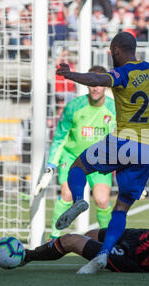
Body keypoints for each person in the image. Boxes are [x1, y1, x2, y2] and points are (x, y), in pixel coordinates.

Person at [53, 32, 149, 274]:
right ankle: (103, 254)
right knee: (121, 208)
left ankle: (80, 200)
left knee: (78, 167)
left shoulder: (123, 73)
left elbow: (96, 78)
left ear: (116, 50)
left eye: (112, 53)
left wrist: (70, 75)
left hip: (126, 140)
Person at [18, 164, 149, 277]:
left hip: (136, 259)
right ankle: (94, 253)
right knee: (92, 235)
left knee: (70, 240)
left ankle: (27, 256)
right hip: (139, 238)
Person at [34, 66, 116, 239]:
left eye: (99, 84)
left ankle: (108, 240)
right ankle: (54, 238)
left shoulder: (114, 109)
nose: (95, 87)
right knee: (67, 193)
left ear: (106, 86)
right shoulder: (74, 107)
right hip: (72, 157)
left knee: (102, 199)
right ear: (86, 84)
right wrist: (50, 166)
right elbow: (60, 138)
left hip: (98, 160)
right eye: (91, 83)